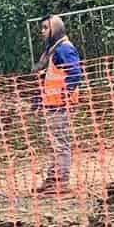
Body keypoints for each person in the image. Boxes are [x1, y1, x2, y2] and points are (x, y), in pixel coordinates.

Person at [33, 15, 83, 195]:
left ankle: (61, 182)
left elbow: (76, 73)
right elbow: (48, 79)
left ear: (56, 30)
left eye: (46, 28)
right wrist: (39, 101)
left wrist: (65, 95)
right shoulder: (53, 51)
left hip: (59, 105)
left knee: (60, 143)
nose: (42, 32)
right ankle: (52, 180)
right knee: (54, 143)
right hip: (52, 104)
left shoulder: (64, 49)